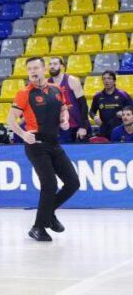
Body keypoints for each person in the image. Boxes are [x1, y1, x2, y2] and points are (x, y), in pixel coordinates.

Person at [7, 56, 80, 242]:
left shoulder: (56, 89)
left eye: (35, 68)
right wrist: (24, 135)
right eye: (29, 69)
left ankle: (48, 214)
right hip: (36, 145)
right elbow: (10, 120)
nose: (32, 71)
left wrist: (64, 119)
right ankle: (38, 227)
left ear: (43, 69)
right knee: (50, 185)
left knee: (73, 183)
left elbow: (63, 109)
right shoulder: (24, 93)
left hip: (54, 143)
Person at [48, 56, 90, 143]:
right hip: (62, 126)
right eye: (50, 64)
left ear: (62, 66)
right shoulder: (47, 84)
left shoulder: (72, 80)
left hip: (78, 125)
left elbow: (84, 105)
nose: (52, 66)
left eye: (55, 64)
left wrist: (83, 126)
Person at [90, 71, 132, 140]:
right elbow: (91, 111)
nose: (106, 81)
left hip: (120, 131)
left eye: (109, 78)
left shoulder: (123, 94)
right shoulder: (98, 96)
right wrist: (95, 117)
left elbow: (131, 107)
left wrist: (123, 112)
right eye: (104, 78)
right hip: (104, 130)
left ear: (114, 81)